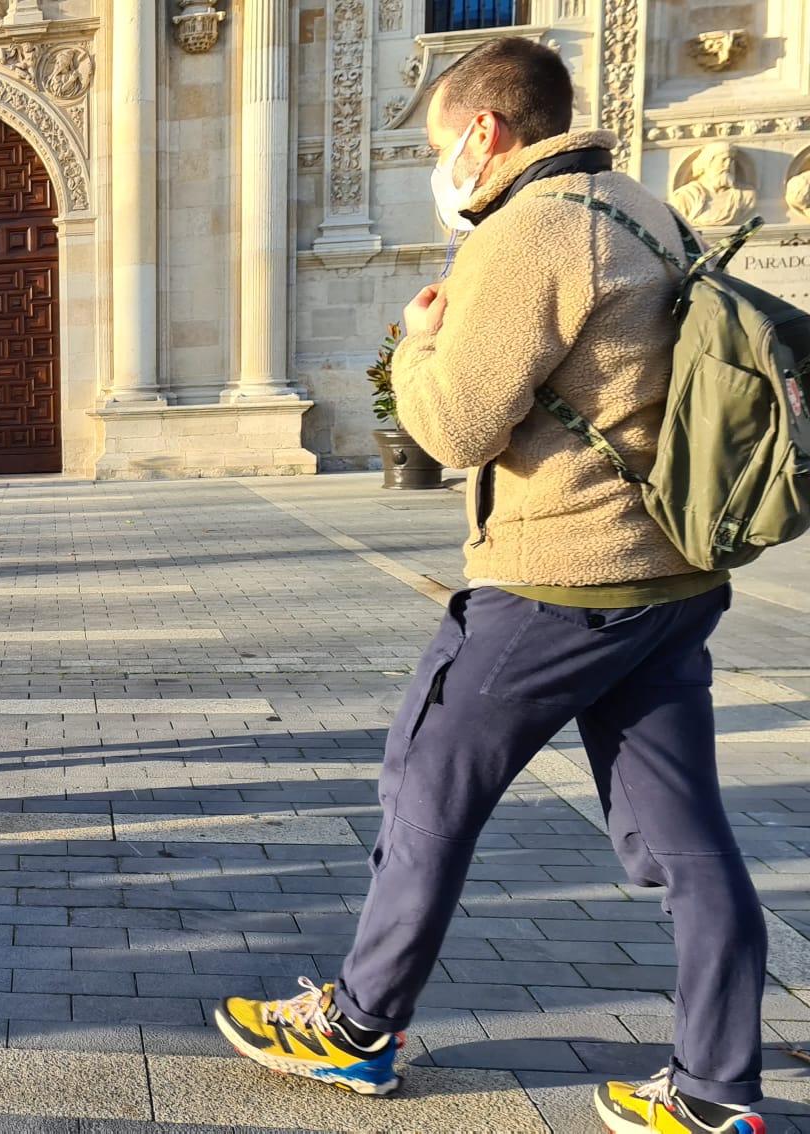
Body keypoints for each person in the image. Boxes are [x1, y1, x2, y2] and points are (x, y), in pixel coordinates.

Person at [211, 39, 769, 1134]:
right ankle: (716, 1090)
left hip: (557, 578)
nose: (441, 167)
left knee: (425, 792)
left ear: (484, 132)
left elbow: (456, 425)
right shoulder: (644, 207)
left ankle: (360, 1030)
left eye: (439, 145)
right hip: (668, 578)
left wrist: (416, 346)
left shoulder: (532, 231)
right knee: (685, 838)